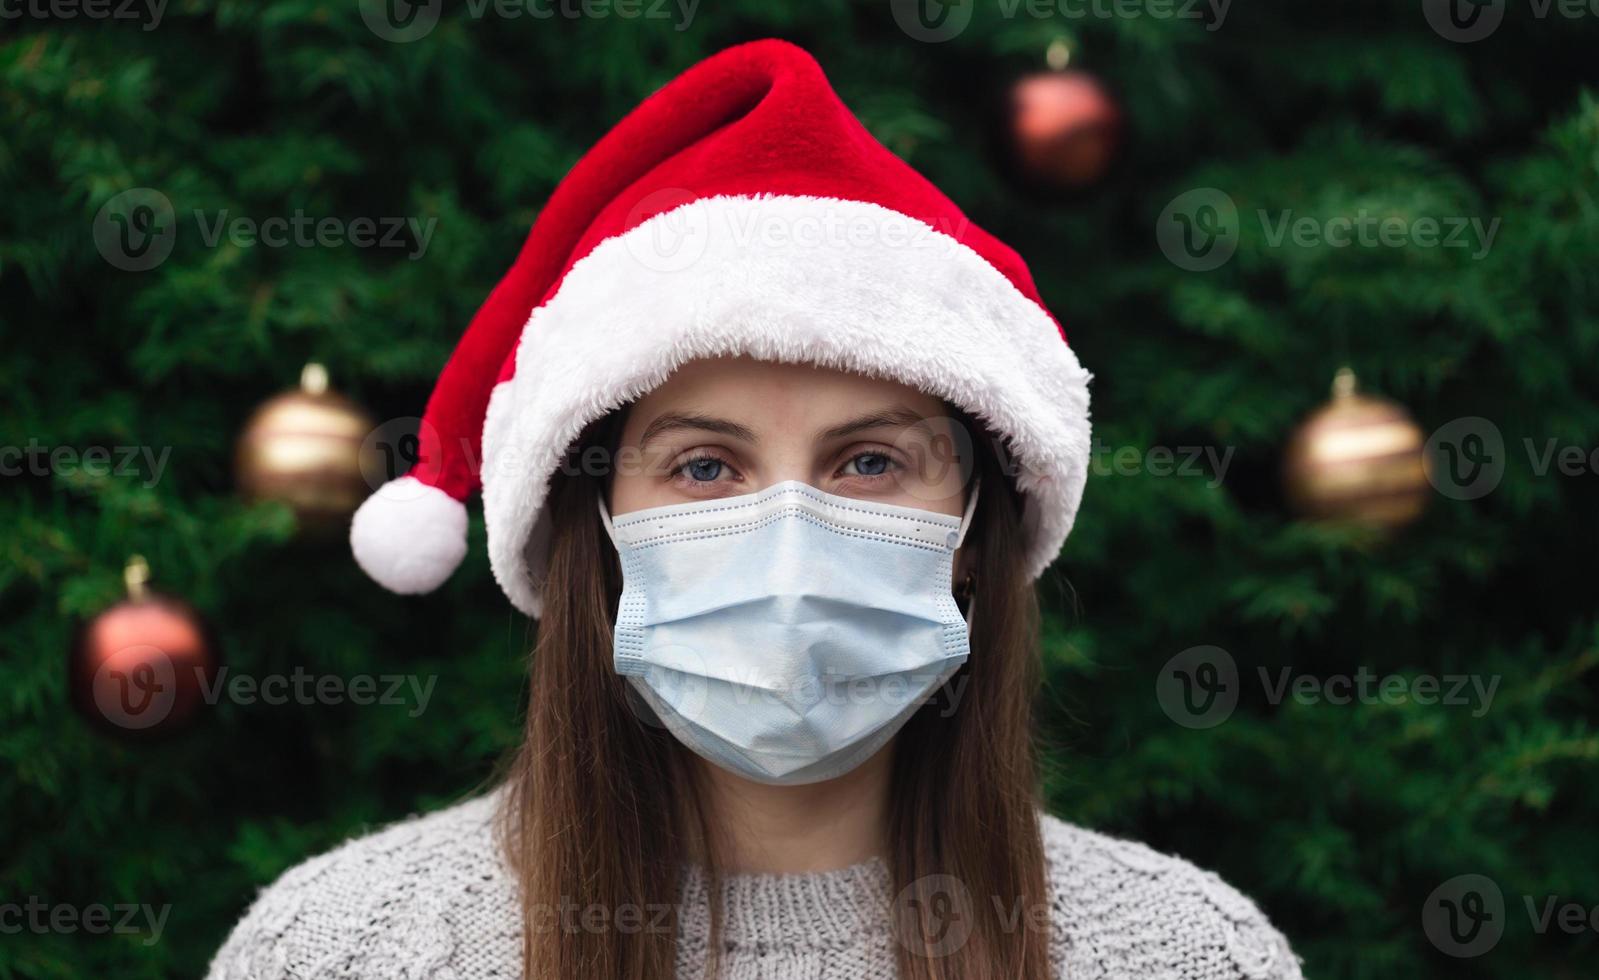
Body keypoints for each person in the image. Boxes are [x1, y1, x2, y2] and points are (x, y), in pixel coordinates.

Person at [207, 39, 1301, 980]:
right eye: (702, 467)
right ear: (593, 521)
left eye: (870, 461)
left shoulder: (1183, 951)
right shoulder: (343, 949)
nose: (790, 538)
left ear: (976, 528)